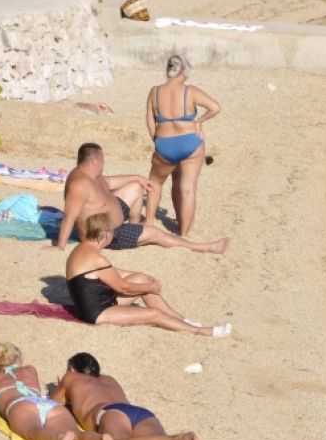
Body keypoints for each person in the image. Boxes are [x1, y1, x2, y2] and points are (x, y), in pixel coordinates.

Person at [65, 213, 232, 337]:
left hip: (99, 301)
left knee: (141, 279)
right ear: (107, 234)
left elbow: (110, 273)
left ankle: (182, 320)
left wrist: (143, 280)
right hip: (97, 312)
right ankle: (200, 331)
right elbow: (122, 286)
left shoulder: (82, 250)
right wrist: (150, 287)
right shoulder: (95, 258)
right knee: (153, 314)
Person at [53, 352, 216, 440]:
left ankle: (176, 438)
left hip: (110, 413)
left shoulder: (70, 378)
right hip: (139, 412)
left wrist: (62, 388)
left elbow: (51, 404)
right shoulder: (109, 379)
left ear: (72, 370)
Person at [53, 142, 229, 254]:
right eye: (102, 160)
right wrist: (60, 246)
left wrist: (137, 178)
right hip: (107, 233)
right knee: (157, 234)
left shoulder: (91, 176)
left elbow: (109, 181)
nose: (103, 164)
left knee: (136, 187)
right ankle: (204, 247)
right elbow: (70, 216)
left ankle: (135, 224)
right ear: (94, 162)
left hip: (112, 214)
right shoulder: (79, 184)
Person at [0, 342, 123, 440]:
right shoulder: (30, 370)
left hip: (20, 404)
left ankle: (58, 438)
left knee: (33, 432)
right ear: (18, 359)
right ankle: (100, 439)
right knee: (77, 434)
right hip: (47, 404)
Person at [145, 54, 220, 237]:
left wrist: (157, 140)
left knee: (155, 183)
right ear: (183, 71)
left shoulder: (154, 92)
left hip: (165, 142)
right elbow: (215, 107)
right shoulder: (190, 91)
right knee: (187, 188)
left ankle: (148, 224)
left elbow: (149, 120)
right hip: (190, 142)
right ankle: (183, 233)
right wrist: (199, 122)